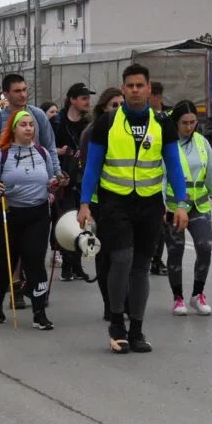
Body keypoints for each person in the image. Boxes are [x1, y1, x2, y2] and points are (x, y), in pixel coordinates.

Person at [77, 64, 189, 353]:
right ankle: (116, 323)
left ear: (149, 89)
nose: (135, 90)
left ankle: (136, 329)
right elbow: (92, 166)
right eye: (130, 86)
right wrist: (85, 203)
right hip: (116, 202)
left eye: (141, 85)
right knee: (122, 260)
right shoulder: (107, 123)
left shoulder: (162, 123)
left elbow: (174, 166)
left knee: (141, 267)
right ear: (123, 88)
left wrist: (181, 204)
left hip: (150, 204)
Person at [0, 109, 60, 328]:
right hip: (10, 214)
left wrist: (54, 185)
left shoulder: (42, 153)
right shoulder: (0, 154)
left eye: (31, 125)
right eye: (23, 125)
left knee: (35, 260)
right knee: (5, 262)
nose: (28, 128)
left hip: (37, 214)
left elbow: (50, 179)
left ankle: (39, 313)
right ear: (14, 129)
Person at [163, 101, 212, 316]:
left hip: (199, 205)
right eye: (184, 123)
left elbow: (211, 172)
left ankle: (198, 294)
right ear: (175, 123)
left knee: (204, 246)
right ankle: (177, 297)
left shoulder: (202, 142)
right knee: (175, 251)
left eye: (192, 123)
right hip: (173, 207)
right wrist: (162, 206)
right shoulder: (168, 143)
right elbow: (162, 176)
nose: (189, 127)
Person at [79, 88, 125, 321]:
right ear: (104, 109)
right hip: (100, 203)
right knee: (104, 254)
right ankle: (110, 303)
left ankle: (122, 300)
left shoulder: (129, 130)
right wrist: (85, 203)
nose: (118, 109)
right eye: (113, 105)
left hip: (124, 201)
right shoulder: (93, 132)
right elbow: (88, 169)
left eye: (121, 104)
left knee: (124, 255)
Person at [52, 83, 95, 281]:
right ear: (72, 100)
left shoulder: (90, 123)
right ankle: (67, 264)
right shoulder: (56, 122)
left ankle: (75, 265)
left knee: (82, 221)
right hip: (63, 179)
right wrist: (59, 152)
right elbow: (46, 148)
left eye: (88, 97)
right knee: (66, 220)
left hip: (83, 177)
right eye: (84, 98)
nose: (88, 101)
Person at [0, 73, 60, 172]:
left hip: (37, 179)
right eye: (17, 91)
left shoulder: (38, 115)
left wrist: (57, 173)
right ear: (6, 94)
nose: (23, 95)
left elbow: (50, 148)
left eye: (24, 90)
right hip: (9, 183)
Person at [148, 81, 172, 276]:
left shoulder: (166, 117)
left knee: (161, 225)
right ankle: (149, 258)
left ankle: (156, 259)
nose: (157, 99)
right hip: (150, 175)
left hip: (164, 173)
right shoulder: (144, 117)